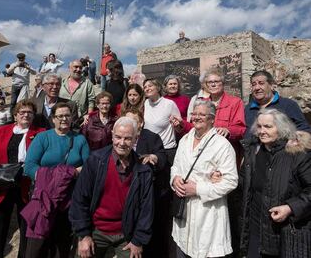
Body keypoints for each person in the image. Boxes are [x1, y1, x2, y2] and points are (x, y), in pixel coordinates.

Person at [69, 117, 154, 258]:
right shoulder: (96, 161)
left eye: (127, 138)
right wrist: (83, 235)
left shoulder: (143, 170)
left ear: (135, 139)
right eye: (118, 137)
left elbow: (147, 209)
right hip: (96, 230)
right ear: (112, 136)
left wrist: (138, 241)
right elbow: (80, 199)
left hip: (126, 233)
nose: (121, 143)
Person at [0, 100, 45, 258]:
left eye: (29, 112)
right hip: (0, 185)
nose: (26, 115)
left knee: (27, 229)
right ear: (15, 115)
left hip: (26, 187)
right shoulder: (0, 131)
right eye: (22, 112)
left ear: (34, 116)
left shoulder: (41, 133)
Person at [239, 109, 311, 257]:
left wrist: (290, 207)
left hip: (284, 234)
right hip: (255, 230)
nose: (262, 131)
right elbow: (244, 183)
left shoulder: (296, 153)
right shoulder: (253, 151)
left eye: (268, 126)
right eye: (259, 126)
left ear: (281, 128)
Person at [171, 100, 238, 258]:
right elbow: (175, 167)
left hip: (208, 214)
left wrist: (198, 189)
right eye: (194, 114)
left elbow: (231, 181)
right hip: (184, 216)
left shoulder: (222, 145)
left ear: (212, 119)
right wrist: (175, 179)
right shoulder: (185, 140)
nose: (196, 117)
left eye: (202, 114)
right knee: (182, 250)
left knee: (205, 251)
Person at [24, 102, 90, 257]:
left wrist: (71, 173)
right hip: (44, 198)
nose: (64, 119)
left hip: (69, 199)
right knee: (38, 244)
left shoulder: (80, 139)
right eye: (60, 116)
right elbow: (29, 166)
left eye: (67, 115)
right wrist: (53, 178)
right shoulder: (42, 137)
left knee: (63, 244)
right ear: (53, 119)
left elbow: (88, 167)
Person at [123, 109, 169, 257]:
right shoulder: (122, 138)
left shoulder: (151, 137)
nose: (130, 124)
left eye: (134, 121)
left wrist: (153, 157)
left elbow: (161, 155)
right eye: (127, 121)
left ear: (141, 123)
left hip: (147, 192)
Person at [244, 70, 311, 137]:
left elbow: (304, 129)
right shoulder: (248, 109)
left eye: (261, 83)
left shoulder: (288, 105)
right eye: (254, 84)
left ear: (272, 86)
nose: (257, 88)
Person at [143, 78, 180, 165]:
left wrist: (177, 125)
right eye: (145, 87)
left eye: (150, 86)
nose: (147, 88)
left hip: (166, 150)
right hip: (150, 150)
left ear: (158, 88)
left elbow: (179, 127)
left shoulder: (169, 104)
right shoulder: (145, 103)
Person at [59, 60, 95, 125]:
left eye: (80, 68)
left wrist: (88, 116)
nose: (78, 69)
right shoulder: (62, 82)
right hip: (62, 119)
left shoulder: (87, 83)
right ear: (69, 67)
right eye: (76, 67)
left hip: (80, 120)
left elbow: (91, 101)